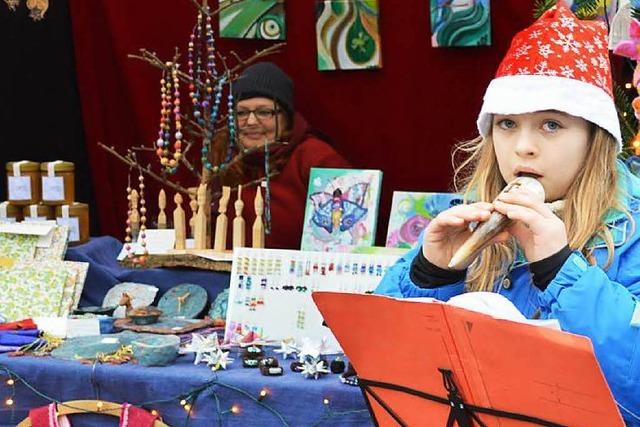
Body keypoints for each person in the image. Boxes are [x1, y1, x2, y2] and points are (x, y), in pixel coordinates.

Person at [375, 5, 640, 424]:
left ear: (595, 138)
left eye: (551, 124)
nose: (523, 147)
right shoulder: (471, 213)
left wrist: (559, 268)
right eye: (508, 124)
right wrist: (430, 274)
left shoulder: (632, 229)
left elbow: (635, 386)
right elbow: (378, 359)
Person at [211, 62, 350, 249]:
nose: (250, 121)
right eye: (242, 113)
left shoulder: (316, 159)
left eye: (264, 112)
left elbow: (345, 235)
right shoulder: (222, 158)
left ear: (286, 117)